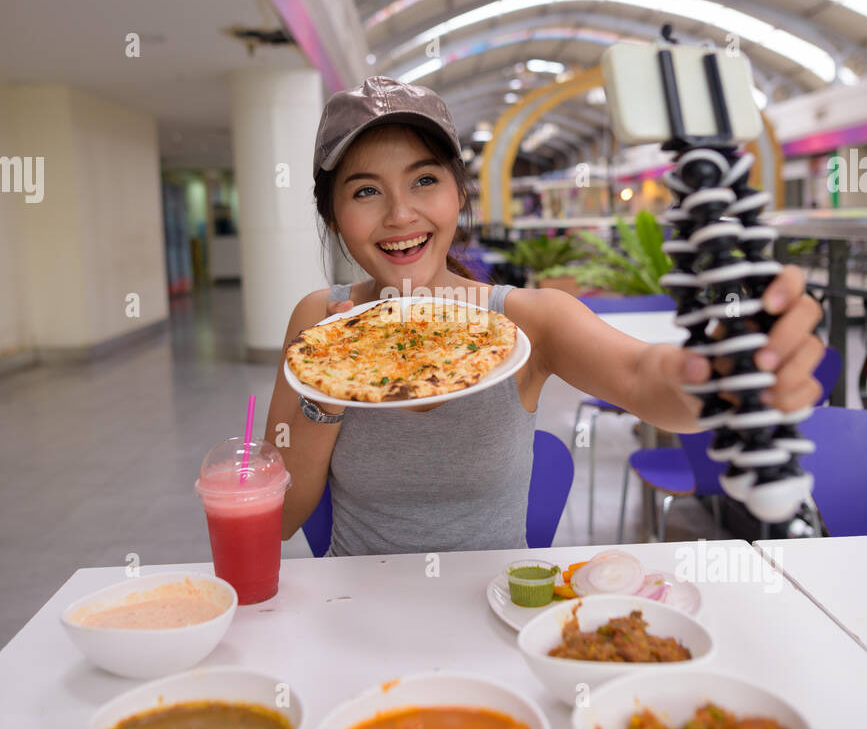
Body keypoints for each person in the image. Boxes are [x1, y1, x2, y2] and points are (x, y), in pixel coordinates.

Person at [266, 76, 824, 556]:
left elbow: (644, 379)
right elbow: (282, 517)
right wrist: (326, 390)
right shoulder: (321, 324)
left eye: (424, 180)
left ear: (459, 193)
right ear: (334, 217)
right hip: (354, 612)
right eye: (365, 191)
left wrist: (724, 373)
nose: (400, 213)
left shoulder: (527, 321)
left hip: (496, 611)